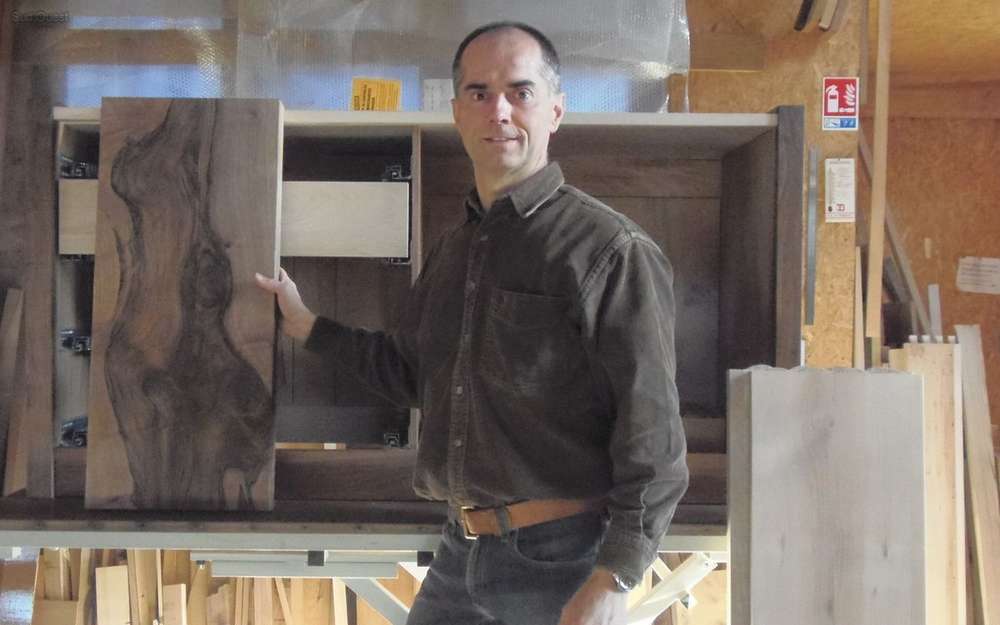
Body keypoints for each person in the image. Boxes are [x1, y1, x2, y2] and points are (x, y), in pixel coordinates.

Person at [256, 21, 688, 625]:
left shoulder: (610, 250)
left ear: (555, 111)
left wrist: (616, 575)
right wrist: (308, 327)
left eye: (520, 92)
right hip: (461, 552)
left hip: (563, 560)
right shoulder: (455, 249)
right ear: (458, 113)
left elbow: (652, 432)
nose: (499, 111)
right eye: (480, 93)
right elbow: (415, 373)